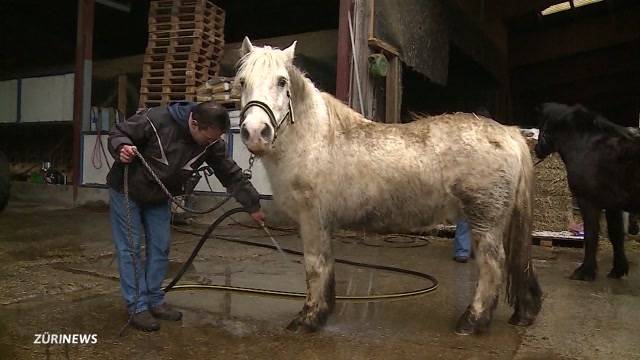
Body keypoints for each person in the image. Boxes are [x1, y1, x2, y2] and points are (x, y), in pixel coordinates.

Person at [107, 101, 265, 332]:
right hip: (127, 190)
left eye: (215, 139)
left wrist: (253, 205)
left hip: (159, 195)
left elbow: (229, 173)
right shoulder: (156, 119)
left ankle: (154, 300)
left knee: (161, 247)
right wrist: (122, 147)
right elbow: (119, 132)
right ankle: (137, 306)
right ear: (193, 122)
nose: (212, 143)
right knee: (131, 248)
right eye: (208, 138)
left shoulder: (211, 142)